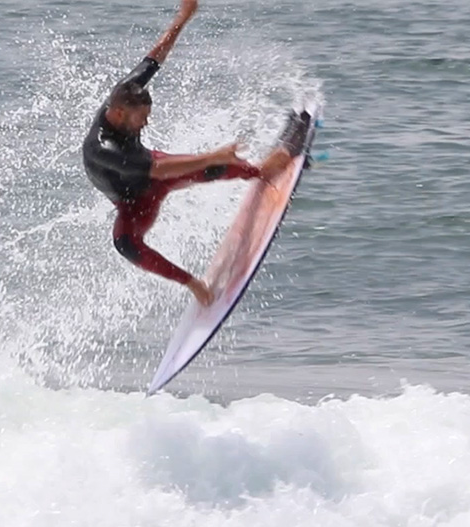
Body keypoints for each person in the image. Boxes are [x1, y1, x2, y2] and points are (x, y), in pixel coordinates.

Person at [82, 0, 307, 306]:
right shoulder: (101, 148)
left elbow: (154, 58)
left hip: (154, 167)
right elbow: (159, 173)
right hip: (134, 205)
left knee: (209, 170)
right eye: (141, 118)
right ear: (119, 114)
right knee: (125, 245)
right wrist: (215, 155)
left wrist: (182, 18)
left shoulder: (126, 92)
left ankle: (262, 171)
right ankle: (193, 284)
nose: (146, 122)